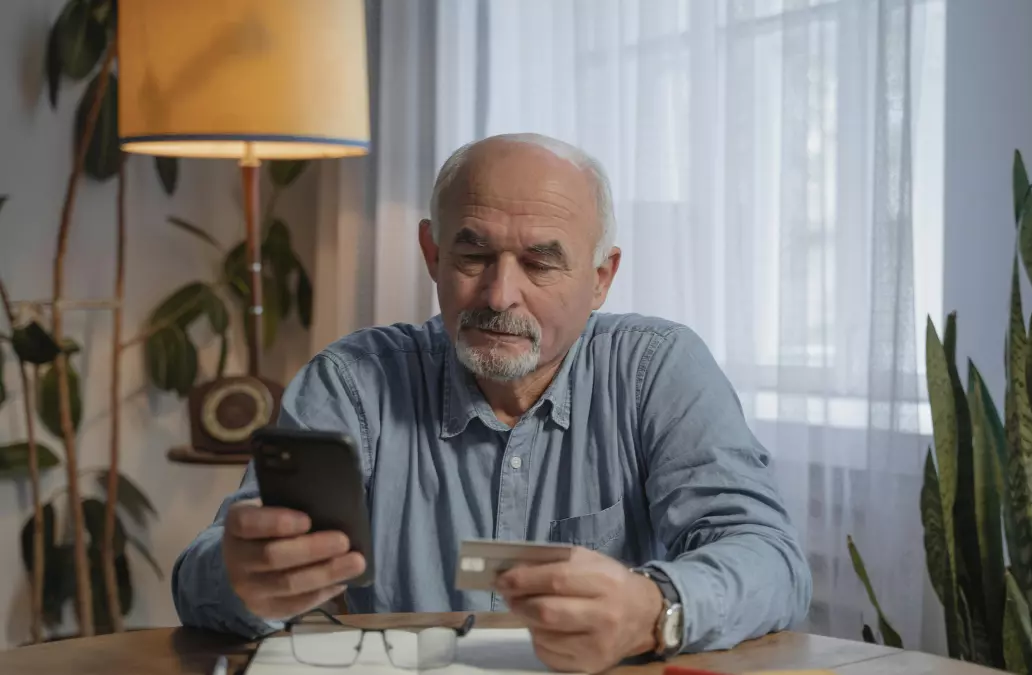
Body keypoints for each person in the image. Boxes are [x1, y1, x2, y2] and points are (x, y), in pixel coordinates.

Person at [172, 133, 811, 672]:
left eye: (540, 263)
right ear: (432, 253)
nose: (500, 294)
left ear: (600, 279)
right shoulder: (352, 383)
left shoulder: (655, 369)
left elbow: (770, 560)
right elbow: (201, 579)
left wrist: (655, 609)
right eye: (473, 254)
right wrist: (244, 578)